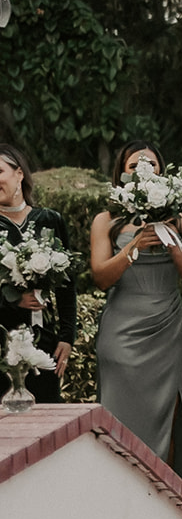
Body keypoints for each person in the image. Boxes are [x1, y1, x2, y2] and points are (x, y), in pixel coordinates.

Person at [90, 141, 182, 495]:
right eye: (134, 164)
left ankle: (165, 499)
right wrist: (135, 245)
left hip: (165, 327)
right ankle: (117, 497)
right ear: (122, 173)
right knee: (120, 417)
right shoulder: (106, 220)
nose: (143, 169)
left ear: (162, 171)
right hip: (122, 330)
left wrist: (173, 240)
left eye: (151, 164)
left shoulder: (181, 218)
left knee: (164, 415)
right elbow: (101, 277)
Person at [0, 144, 77, 403]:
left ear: (19, 173)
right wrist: (13, 300)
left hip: (43, 340)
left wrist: (67, 337)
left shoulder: (50, 220)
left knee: (45, 410)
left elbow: (67, 285)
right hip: (2, 341)